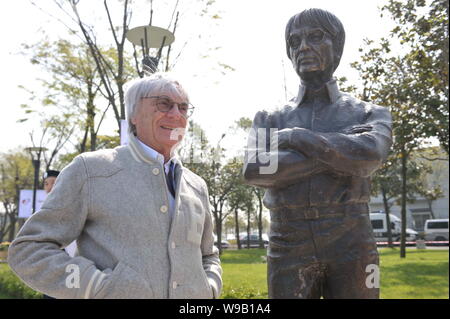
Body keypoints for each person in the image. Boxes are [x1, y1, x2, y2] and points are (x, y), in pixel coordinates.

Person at [8, 73, 222, 299]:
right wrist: (96, 286)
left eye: (183, 107)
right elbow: (29, 250)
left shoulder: (197, 186)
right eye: (164, 104)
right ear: (134, 115)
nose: (176, 114)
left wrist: (208, 288)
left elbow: (208, 255)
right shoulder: (90, 170)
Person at [243, 8, 392, 299]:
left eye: (315, 37)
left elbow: (370, 154)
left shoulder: (368, 113)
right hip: (288, 239)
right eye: (295, 41)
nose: (303, 48)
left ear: (337, 46)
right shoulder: (268, 118)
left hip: (352, 237)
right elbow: (254, 170)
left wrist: (296, 138)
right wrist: (342, 153)